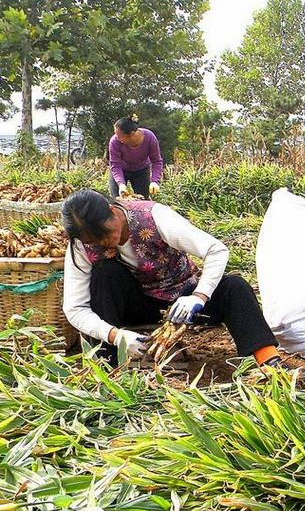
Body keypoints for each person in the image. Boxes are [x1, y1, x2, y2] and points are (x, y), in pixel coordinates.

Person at [61, 189, 288, 372]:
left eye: (105, 233)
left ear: (111, 211)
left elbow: (216, 250)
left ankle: (267, 360)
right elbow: (75, 308)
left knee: (234, 287)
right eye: (94, 241)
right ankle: (108, 367)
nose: (104, 243)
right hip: (136, 304)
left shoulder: (154, 217)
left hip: (182, 298)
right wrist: (115, 335)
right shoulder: (81, 245)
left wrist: (199, 296)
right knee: (104, 274)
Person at [108, 114, 164, 199]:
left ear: (132, 134)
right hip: (120, 171)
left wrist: (155, 181)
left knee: (143, 201)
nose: (117, 138)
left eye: (120, 136)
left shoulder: (150, 138)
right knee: (116, 202)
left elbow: (157, 161)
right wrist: (121, 184)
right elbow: (115, 165)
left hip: (141, 171)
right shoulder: (114, 141)